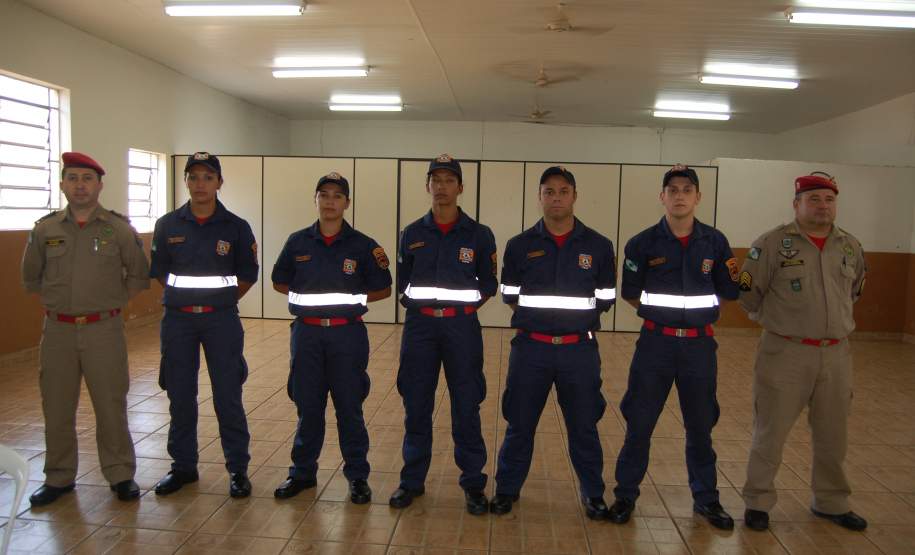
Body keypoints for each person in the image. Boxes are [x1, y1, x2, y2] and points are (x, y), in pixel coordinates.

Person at [609, 165, 739, 530]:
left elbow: (730, 290)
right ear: (662, 196)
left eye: (687, 189)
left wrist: (699, 319)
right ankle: (625, 494)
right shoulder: (642, 243)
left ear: (698, 197)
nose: (679, 195)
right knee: (640, 422)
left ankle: (707, 499)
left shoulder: (716, 242)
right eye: (673, 189)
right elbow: (631, 294)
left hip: (699, 349)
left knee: (700, 425)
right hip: (656, 346)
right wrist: (666, 320)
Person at [738, 172, 868, 532]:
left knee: (833, 434)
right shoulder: (772, 244)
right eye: (813, 199)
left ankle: (831, 501)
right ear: (797, 204)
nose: (822, 206)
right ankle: (759, 501)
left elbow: (855, 290)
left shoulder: (850, 246)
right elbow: (749, 293)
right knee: (770, 431)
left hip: (836, 354)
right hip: (786, 352)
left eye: (828, 200)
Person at [21, 151, 150, 505]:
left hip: (103, 330)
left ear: (99, 185)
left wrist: (110, 303)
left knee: (111, 404)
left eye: (87, 179)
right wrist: (61, 304)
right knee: (57, 406)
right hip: (58, 331)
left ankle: (121, 473)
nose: (80, 186)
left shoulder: (119, 229)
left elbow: (138, 275)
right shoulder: (45, 229)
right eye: (73, 178)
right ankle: (59, 477)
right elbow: (31, 277)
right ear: (62, 184)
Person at [491, 166, 616, 519]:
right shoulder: (520, 246)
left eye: (563, 191)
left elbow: (606, 296)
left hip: (579, 350)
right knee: (520, 422)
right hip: (531, 349)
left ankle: (593, 493)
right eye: (549, 191)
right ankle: (506, 489)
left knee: (584, 424)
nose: (556, 198)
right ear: (540, 197)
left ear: (574, 196)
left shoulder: (599, 246)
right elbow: (510, 295)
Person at [270, 172, 392, 503]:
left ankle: (357, 476)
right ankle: (302, 473)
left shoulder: (364, 245)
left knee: (349, 407)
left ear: (347, 203)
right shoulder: (297, 242)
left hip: (346, 336)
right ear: (316, 200)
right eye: (324, 194)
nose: (330, 201)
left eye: (337, 196)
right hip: (307, 334)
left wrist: (349, 300)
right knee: (308, 406)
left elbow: (383, 287)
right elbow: (279, 281)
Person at [389, 154, 497, 516]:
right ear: (428, 186)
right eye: (436, 180)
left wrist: (460, 311)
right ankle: (412, 480)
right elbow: (403, 283)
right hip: (420, 329)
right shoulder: (413, 233)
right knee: (416, 403)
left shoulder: (480, 235)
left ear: (461, 187)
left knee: (466, 404)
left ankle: (473, 483)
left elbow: (488, 284)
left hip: (461, 329)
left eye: (449, 180)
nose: (442, 186)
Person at [149, 152, 259, 498]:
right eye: (193, 177)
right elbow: (161, 274)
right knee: (180, 394)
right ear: (185, 182)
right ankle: (183, 466)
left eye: (208, 177)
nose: (200, 184)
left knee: (228, 395)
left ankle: (238, 469)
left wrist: (221, 301)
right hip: (178, 322)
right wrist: (187, 300)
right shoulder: (168, 225)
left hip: (220, 321)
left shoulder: (236, 227)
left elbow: (247, 275)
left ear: (219, 183)